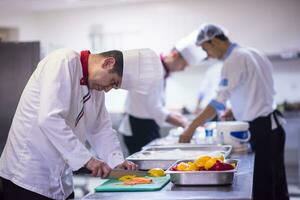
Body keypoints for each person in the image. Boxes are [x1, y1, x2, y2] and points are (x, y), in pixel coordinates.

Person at [0, 48, 163, 200]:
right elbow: (49, 119)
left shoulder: (96, 89)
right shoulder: (63, 61)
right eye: (113, 82)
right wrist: (88, 160)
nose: (108, 89)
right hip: (26, 176)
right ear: (108, 63)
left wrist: (117, 162)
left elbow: (100, 129)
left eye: (115, 87)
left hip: (61, 180)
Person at [179, 24, 289, 200]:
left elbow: (217, 102)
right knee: (276, 184)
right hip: (273, 127)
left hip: (262, 129)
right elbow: (258, 89)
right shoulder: (252, 52)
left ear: (214, 41)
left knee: (264, 185)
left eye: (206, 50)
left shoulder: (234, 60)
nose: (208, 55)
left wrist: (191, 127)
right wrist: (235, 107)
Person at [119, 31, 206, 155]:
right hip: (138, 128)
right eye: (184, 65)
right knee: (143, 171)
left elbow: (156, 105)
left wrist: (181, 119)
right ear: (175, 55)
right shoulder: (155, 70)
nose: (183, 69)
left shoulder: (161, 71)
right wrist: (183, 123)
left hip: (146, 125)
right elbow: (154, 108)